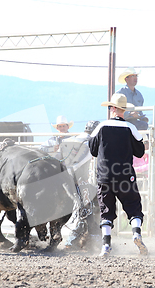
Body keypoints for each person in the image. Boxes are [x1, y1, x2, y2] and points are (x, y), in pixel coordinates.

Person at [89, 93, 148, 257]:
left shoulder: (100, 127)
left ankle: (106, 246)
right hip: (125, 175)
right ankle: (136, 234)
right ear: (123, 110)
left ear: (113, 108)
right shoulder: (131, 128)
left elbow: (93, 150)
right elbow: (140, 152)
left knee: (106, 210)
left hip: (105, 175)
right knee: (133, 206)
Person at [62, 120, 101, 250]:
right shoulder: (89, 143)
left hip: (63, 179)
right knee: (85, 211)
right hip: (79, 180)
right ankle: (77, 241)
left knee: (83, 210)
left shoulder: (73, 139)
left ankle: (80, 239)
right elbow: (78, 163)